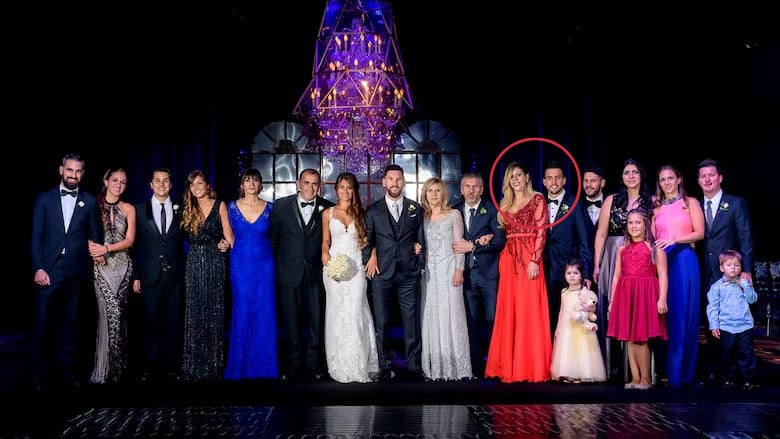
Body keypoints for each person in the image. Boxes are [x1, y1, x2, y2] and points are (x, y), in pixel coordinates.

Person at [31, 153, 103, 389]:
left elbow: (95, 236)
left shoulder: (90, 201)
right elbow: (36, 238)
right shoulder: (44, 199)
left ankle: (67, 374)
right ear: (61, 170)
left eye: (78, 171)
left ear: (83, 173)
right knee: (43, 324)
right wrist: (39, 267)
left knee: (71, 326)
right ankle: (39, 374)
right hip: (49, 271)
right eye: (69, 170)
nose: (74, 175)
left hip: (76, 272)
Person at [485, 161, 551, 383]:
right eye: (511, 176)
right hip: (508, 260)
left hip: (529, 258)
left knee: (529, 311)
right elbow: (502, 235)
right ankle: (509, 366)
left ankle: (531, 367)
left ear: (526, 177)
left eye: (519, 175)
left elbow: (542, 230)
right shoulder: (504, 204)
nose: (515, 179)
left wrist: (535, 259)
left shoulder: (537, 199)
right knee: (509, 312)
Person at [270, 168, 334, 380]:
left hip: (316, 274)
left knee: (317, 322)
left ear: (320, 186)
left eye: (315, 184)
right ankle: (294, 366)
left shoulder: (328, 208)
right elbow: (274, 241)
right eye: (306, 183)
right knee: (291, 323)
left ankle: (314, 366)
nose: (310, 188)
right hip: (289, 273)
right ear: (299, 184)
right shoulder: (280, 206)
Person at [363, 164, 425, 381]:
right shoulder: (373, 210)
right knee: (383, 321)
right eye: (390, 179)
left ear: (403, 182)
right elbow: (365, 240)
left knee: (411, 319)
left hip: (409, 272)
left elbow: (421, 237)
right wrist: (370, 257)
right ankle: (384, 365)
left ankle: (414, 365)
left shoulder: (415, 208)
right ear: (384, 183)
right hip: (382, 273)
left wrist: (420, 250)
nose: (395, 183)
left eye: (398, 179)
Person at [592, 158, 653, 379]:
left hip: (640, 256)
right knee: (613, 307)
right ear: (622, 177)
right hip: (612, 252)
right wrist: (597, 263)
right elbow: (601, 233)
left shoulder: (651, 200)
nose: (630, 176)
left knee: (637, 311)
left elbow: (653, 234)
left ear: (641, 175)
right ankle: (612, 366)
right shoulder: (611, 199)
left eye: (635, 172)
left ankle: (640, 372)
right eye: (626, 172)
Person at [320, 172, 378, 383]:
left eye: (349, 187)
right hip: (334, 269)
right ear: (336, 189)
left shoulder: (363, 213)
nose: (345, 191)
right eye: (342, 187)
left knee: (355, 313)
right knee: (337, 314)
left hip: (356, 270)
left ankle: (359, 364)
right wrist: (324, 254)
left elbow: (372, 240)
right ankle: (339, 365)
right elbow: (325, 241)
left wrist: (373, 255)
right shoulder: (327, 213)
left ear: (354, 190)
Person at [651, 165, 704, 388]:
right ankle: (666, 372)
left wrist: (676, 240)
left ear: (679, 179)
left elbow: (700, 233)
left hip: (683, 260)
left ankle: (682, 375)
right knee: (666, 317)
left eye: (670, 178)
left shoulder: (690, 203)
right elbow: (652, 236)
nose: (667, 182)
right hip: (662, 262)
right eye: (662, 179)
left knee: (684, 317)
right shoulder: (656, 207)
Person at [132, 167, 185, 382]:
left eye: (166, 181)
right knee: (150, 321)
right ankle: (149, 367)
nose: (162, 184)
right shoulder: (138, 209)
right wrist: (136, 274)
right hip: (149, 274)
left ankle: (172, 367)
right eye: (157, 181)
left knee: (173, 322)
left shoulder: (182, 208)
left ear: (171, 185)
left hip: (175, 275)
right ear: (151, 185)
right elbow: (134, 245)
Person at [225, 168, 278, 380]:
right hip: (240, 265)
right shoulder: (230, 207)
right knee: (242, 309)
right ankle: (240, 365)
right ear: (242, 184)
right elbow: (224, 235)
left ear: (260, 184)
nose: (251, 184)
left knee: (264, 310)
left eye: (255, 180)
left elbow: (277, 236)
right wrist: (222, 242)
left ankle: (265, 367)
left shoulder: (271, 208)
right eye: (247, 180)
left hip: (264, 265)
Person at [607, 208, 668, 390]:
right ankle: (634, 378)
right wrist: (612, 301)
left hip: (646, 294)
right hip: (626, 294)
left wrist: (662, 299)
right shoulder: (622, 248)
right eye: (630, 223)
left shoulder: (654, 248)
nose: (633, 226)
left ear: (645, 225)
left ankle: (645, 379)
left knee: (641, 338)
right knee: (629, 339)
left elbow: (663, 275)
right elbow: (617, 275)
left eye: (637, 222)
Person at [181, 170, 233, 381]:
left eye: (199, 183)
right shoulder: (187, 207)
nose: (196, 188)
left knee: (213, 312)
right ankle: (193, 366)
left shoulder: (220, 205)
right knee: (194, 312)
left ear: (207, 185)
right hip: (193, 263)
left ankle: (213, 365)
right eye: (192, 185)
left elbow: (229, 236)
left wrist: (225, 244)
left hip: (214, 262)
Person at [452, 172, 505, 377]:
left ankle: (494, 364)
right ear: (461, 189)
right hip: (465, 275)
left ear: (482, 190)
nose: (471, 191)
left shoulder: (492, 209)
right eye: (467, 186)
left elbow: (499, 240)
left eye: (475, 187)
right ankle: (475, 365)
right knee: (471, 320)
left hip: (488, 274)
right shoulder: (454, 210)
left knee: (492, 318)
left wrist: (473, 246)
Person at [419, 177, 472, 381]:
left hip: (450, 271)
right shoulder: (422, 218)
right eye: (430, 190)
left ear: (443, 194)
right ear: (425, 194)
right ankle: (435, 367)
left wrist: (460, 269)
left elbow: (459, 244)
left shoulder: (453, 215)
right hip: (430, 274)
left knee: (452, 315)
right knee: (431, 316)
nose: (433, 194)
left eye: (437, 191)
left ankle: (456, 368)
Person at [88, 167, 135, 384]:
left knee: (119, 315)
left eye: (123, 182)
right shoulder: (93, 205)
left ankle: (118, 372)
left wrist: (106, 249)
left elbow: (130, 241)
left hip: (122, 265)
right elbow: (83, 234)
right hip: (100, 266)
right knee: (106, 315)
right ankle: (103, 371)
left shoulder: (129, 208)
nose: (118, 185)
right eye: (114, 180)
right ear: (106, 181)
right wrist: (93, 249)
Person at [542, 161, 592, 334]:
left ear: (564, 180)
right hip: (543, 270)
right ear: (544, 182)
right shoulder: (538, 202)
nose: (553, 182)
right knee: (547, 316)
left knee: (570, 318)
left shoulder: (574, 203)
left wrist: (585, 272)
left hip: (567, 270)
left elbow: (584, 240)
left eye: (557, 178)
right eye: (549, 178)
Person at [705, 250, 759, 390]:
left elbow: (752, 300)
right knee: (727, 354)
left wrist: (746, 286)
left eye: (736, 265)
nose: (733, 267)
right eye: (729, 265)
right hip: (726, 326)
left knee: (746, 353)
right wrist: (714, 325)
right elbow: (713, 307)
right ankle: (728, 378)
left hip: (744, 326)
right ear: (722, 268)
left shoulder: (744, 283)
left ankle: (749, 379)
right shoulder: (716, 287)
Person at [697, 158, 754, 287]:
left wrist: (747, 269)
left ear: (720, 178)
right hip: (704, 274)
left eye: (711, 175)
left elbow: (746, 238)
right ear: (699, 181)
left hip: (731, 272)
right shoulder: (696, 206)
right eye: (703, 176)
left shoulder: (736, 203)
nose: (707, 180)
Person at [550, 260, 607, 383]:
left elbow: (593, 307)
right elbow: (562, 310)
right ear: (564, 275)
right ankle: (568, 373)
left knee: (581, 349)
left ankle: (582, 373)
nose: (571, 275)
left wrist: (587, 308)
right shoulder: (564, 292)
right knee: (567, 349)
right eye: (568, 273)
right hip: (567, 326)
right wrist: (558, 328)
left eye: (575, 273)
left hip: (581, 327)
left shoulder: (584, 291)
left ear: (581, 275)